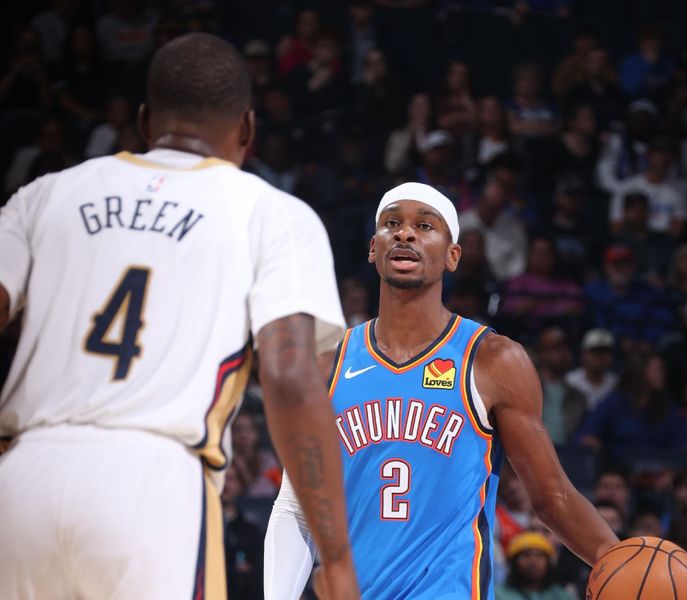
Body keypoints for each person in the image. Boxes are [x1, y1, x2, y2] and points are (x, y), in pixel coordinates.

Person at [0, 33, 359, 600]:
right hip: (153, 482)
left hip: (21, 475)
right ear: (247, 129)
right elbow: (290, 379)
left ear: (145, 122)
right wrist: (336, 559)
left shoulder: (45, 195)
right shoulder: (273, 215)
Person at [264, 181, 618, 598]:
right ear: (373, 249)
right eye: (391, 223)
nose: (405, 233)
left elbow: (552, 496)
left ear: (453, 256)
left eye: (425, 226)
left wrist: (619, 559)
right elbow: (298, 508)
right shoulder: (327, 364)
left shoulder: (492, 359)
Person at [494, 532, 574, 600]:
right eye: (526, 555)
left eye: (539, 556)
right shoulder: (497, 595)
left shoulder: (560, 595)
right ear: (514, 562)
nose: (533, 562)